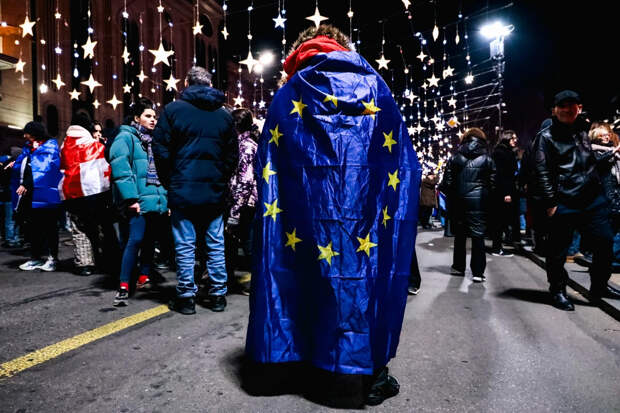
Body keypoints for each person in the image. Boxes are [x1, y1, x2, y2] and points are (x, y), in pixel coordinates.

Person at [244, 25, 421, 407]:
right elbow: (402, 162)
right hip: (362, 212)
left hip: (302, 213)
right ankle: (366, 373)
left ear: (298, 53)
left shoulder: (288, 95)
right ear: (343, 47)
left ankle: (297, 361)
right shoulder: (375, 87)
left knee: (298, 275)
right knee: (361, 280)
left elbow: (268, 166)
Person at [152, 66, 238, 314]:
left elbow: (160, 150)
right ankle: (218, 295)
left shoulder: (173, 111)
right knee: (215, 243)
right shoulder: (224, 116)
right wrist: (220, 178)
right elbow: (232, 155)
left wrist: (171, 181)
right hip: (214, 190)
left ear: (187, 83)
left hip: (183, 188)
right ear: (210, 85)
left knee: (185, 244)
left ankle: (186, 297)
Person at [533, 90, 620, 311]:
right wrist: (551, 203)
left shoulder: (584, 129)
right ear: (554, 110)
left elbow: (588, 158)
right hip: (564, 200)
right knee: (558, 252)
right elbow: (541, 171)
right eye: (561, 106)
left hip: (592, 199)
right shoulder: (546, 136)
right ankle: (558, 290)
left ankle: (599, 286)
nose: (566, 109)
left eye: (571, 105)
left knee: (605, 242)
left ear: (578, 108)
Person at [109, 98, 168, 306]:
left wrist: (165, 199)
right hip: (139, 199)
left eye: (154, 117)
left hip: (155, 198)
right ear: (136, 118)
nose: (153, 120)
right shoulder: (126, 137)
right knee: (135, 239)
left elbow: (161, 172)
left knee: (150, 239)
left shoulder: (153, 140)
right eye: (148, 116)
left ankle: (144, 276)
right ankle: (124, 284)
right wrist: (131, 198)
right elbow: (121, 168)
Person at [61, 111, 116, 276]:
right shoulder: (95, 146)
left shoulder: (64, 146)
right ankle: (107, 260)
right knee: (102, 227)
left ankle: (85, 264)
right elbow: (106, 169)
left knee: (79, 230)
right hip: (95, 194)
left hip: (71, 195)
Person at [440, 127, 496, 283]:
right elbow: (493, 184)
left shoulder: (454, 158)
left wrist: (454, 195)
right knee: (478, 236)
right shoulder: (487, 159)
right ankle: (478, 272)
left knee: (460, 235)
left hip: (459, 201)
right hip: (479, 202)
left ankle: (458, 267)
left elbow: (446, 183)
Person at [11, 121, 63, 271]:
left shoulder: (50, 147)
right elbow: (27, 166)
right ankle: (35, 258)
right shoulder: (29, 148)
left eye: (26, 133)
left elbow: (44, 169)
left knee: (50, 228)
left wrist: (26, 184)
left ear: (34, 133)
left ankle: (53, 259)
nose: (24, 136)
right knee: (34, 229)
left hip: (48, 196)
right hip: (32, 197)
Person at [225, 108, 259, 295]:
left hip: (245, 204)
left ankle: (259, 285)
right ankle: (229, 281)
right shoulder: (245, 143)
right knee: (235, 243)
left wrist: (235, 213)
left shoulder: (245, 146)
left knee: (247, 244)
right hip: (244, 203)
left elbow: (245, 182)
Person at [589, 123, 620, 270]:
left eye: (608, 134)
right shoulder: (594, 150)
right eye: (603, 135)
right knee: (607, 233)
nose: (607, 137)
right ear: (597, 136)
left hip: (615, 194)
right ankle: (608, 260)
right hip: (604, 196)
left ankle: (609, 260)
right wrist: (613, 151)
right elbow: (598, 162)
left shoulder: (612, 151)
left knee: (614, 230)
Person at [490, 131, 517, 257]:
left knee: (501, 220)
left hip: (502, 190)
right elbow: (502, 174)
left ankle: (497, 247)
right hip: (502, 192)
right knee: (500, 220)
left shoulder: (504, 151)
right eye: (513, 138)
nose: (515, 140)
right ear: (507, 139)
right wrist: (507, 193)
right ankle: (497, 248)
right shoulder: (502, 153)